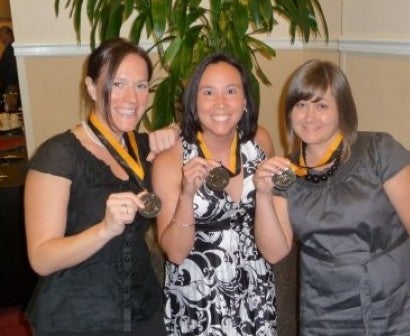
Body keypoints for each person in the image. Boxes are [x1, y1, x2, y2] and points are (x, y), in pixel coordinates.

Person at [254, 60, 410, 335]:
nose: (309, 117)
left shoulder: (379, 152)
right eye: (301, 105)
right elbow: (274, 251)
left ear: (343, 109)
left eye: (321, 106)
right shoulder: (288, 174)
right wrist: (263, 194)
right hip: (323, 314)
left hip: (392, 306)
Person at [24, 38, 178, 335]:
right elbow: (41, 259)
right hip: (78, 318)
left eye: (141, 85)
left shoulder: (143, 147)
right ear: (92, 87)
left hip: (143, 310)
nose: (131, 98)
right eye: (117, 84)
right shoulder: (59, 154)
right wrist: (103, 229)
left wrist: (173, 129)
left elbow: (197, 131)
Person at [152, 53, 277, 335]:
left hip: (255, 293)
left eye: (231, 91)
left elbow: (272, 221)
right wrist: (186, 196)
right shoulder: (171, 159)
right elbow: (174, 252)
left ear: (245, 100)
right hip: (199, 301)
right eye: (208, 92)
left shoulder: (260, 142)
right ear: (194, 102)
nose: (220, 103)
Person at [0, 26, 19, 95]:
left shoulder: (11, 49)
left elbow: (12, 68)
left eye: (2, 36)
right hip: (9, 84)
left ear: (8, 35)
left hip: (10, 85)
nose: (1, 39)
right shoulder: (10, 49)